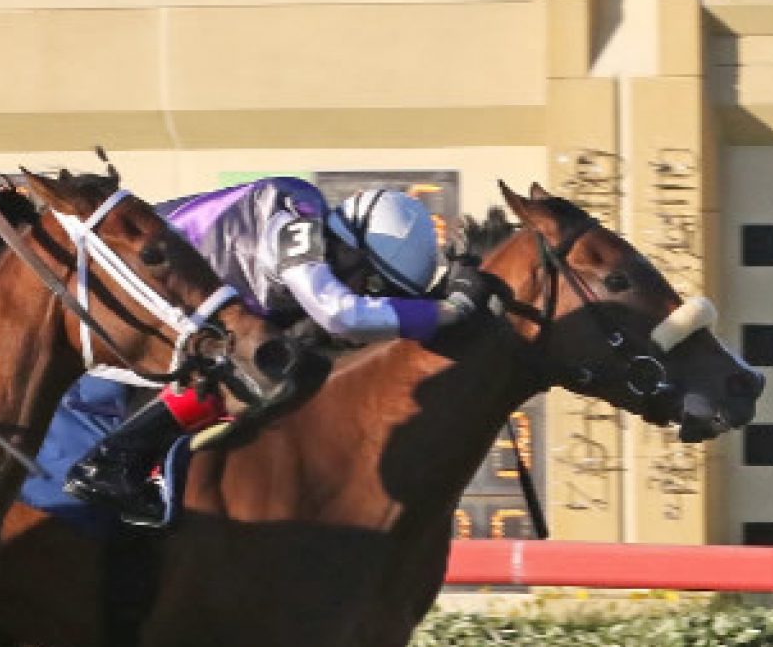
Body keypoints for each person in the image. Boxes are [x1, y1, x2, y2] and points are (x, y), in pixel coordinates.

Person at [62, 178, 500, 526]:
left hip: (166, 299)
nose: (369, 297)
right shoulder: (297, 227)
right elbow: (342, 316)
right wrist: (447, 311)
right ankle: (114, 460)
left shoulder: (316, 231)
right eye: (371, 286)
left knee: (283, 355)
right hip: (120, 292)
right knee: (274, 366)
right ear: (350, 247)